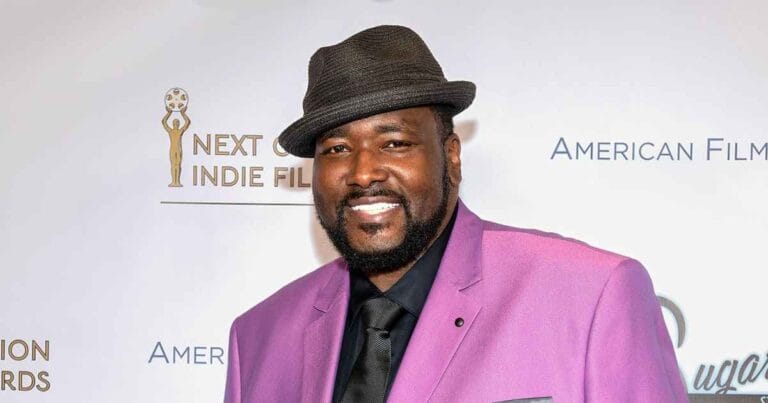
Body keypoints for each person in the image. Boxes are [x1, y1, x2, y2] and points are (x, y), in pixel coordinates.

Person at [224, 25, 688, 403]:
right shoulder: (259, 338)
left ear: (451, 156)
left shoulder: (592, 296)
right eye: (337, 149)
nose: (363, 172)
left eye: (394, 143)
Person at [161, 105, 190, 187]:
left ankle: (177, 182)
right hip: (172, 149)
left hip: (179, 149)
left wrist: (183, 113)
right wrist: (169, 113)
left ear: (179, 124)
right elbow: (164, 122)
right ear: (172, 124)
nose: (176, 124)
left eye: (177, 123)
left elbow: (187, 122)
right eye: (174, 123)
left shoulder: (180, 131)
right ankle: (173, 181)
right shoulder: (170, 131)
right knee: (173, 165)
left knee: (178, 165)